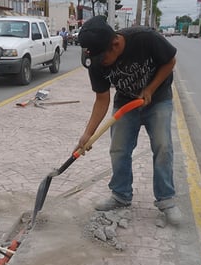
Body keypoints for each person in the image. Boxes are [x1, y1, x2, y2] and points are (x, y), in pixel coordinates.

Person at [76, 15, 181, 225]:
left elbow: (170, 61)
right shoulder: (96, 61)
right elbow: (101, 98)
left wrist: (150, 89)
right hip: (125, 103)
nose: (100, 64)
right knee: (119, 149)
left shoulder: (145, 38)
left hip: (158, 99)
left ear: (115, 44)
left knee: (163, 147)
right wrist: (88, 133)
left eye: (102, 59)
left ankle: (166, 200)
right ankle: (121, 195)